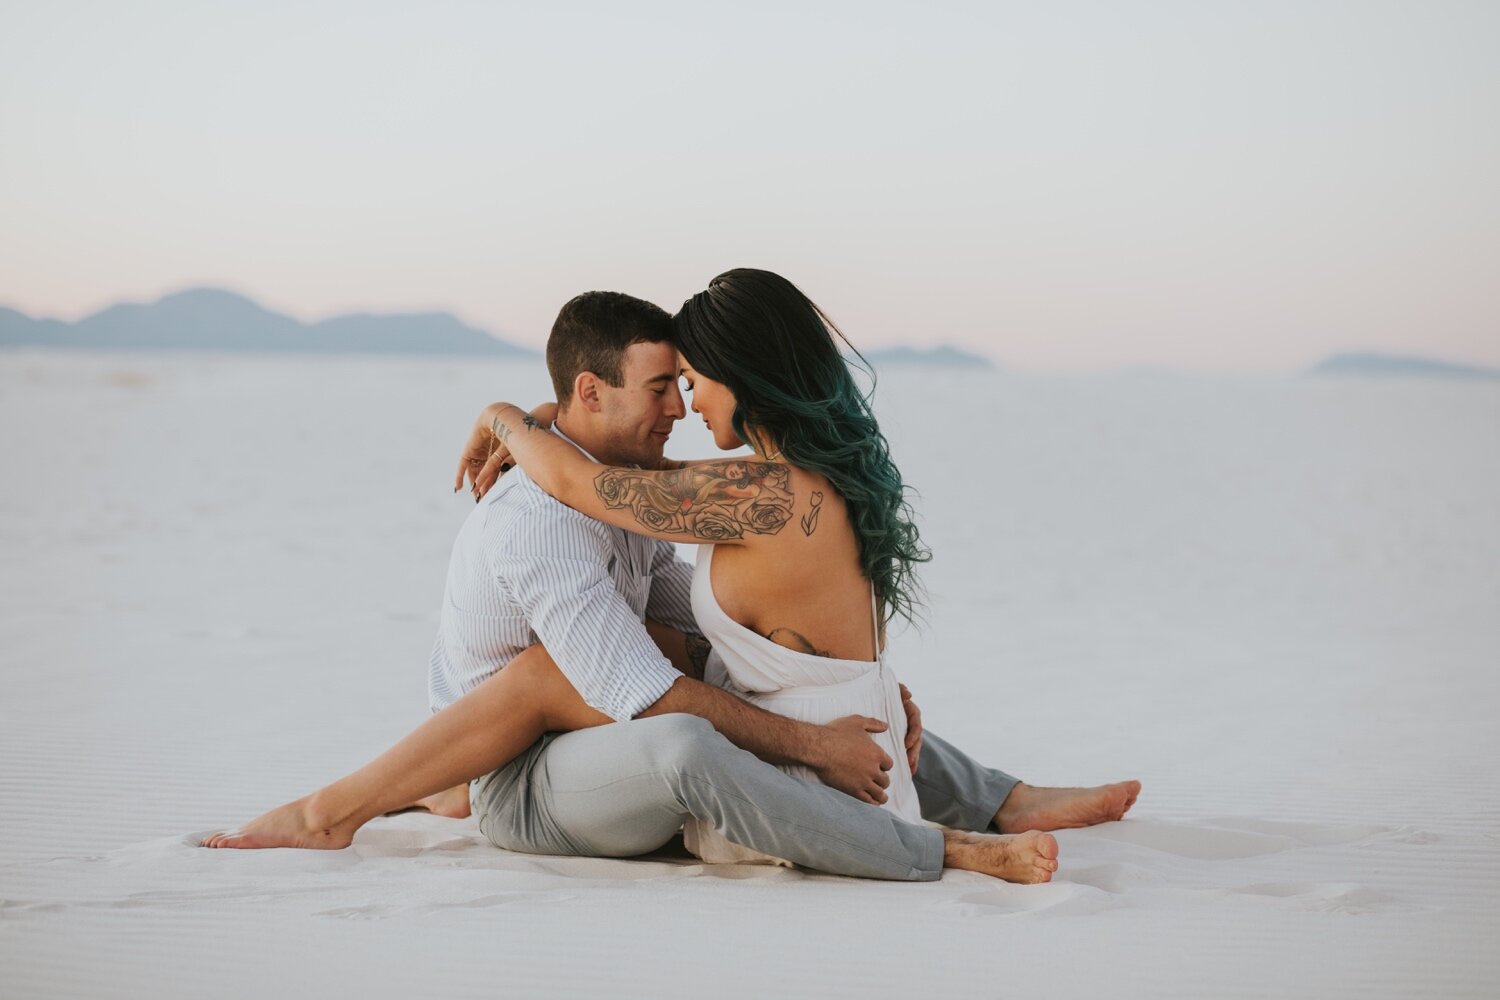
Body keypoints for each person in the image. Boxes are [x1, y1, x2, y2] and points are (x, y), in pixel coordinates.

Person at [203, 282, 1138, 884]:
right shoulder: (561, 514)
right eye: (663, 387)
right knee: (639, 703)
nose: (681, 406)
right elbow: (638, 685)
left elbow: (677, 605)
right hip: (519, 772)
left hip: (584, 737)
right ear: (589, 394)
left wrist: (508, 414)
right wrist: (815, 737)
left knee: (722, 679)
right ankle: (949, 840)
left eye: (687, 381)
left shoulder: (689, 494)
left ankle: (990, 794)